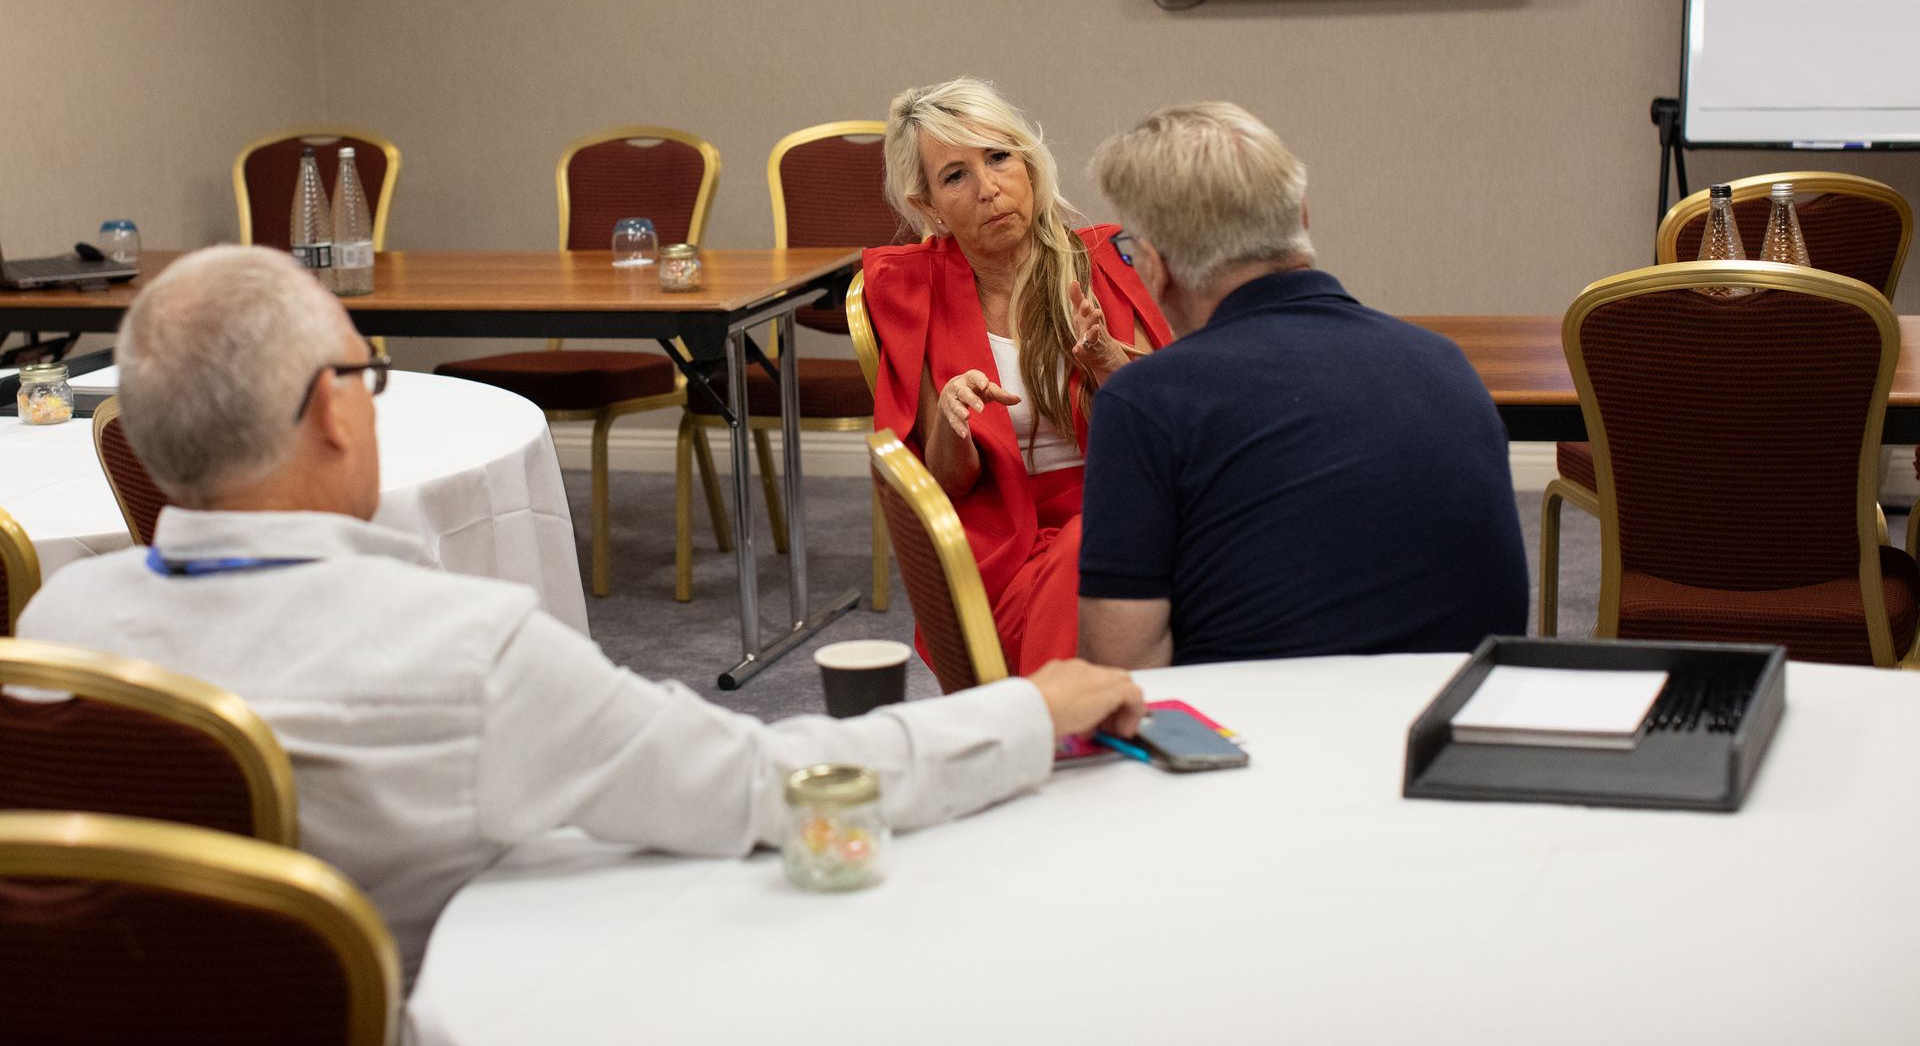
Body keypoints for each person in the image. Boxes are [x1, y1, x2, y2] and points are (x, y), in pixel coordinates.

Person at [16, 246, 1146, 980]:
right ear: (330, 413)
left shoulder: (58, 624)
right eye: (369, 374)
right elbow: (772, 786)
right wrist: (1029, 709)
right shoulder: (464, 651)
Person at [1075, 102, 1527, 668]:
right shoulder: (1446, 364)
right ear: (1303, 219)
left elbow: (1121, 674)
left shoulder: (1146, 401)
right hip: (1450, 740)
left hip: (1258, 747)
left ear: (1153, 266)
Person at [863, 79, 1172, 675]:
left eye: (999, 157)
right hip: (1002, 540)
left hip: (1123, 506)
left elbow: (1172, 429)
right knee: (1089, 555)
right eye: (955, 175)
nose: (989, 189)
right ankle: (1069, 730)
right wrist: (952, 419)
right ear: (928, 206)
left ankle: (1053, 728)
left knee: (1095, 544)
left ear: (1028, 164)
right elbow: (946, 483)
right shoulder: (916, 292)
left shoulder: (1105, 263)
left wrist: (1109, 362)